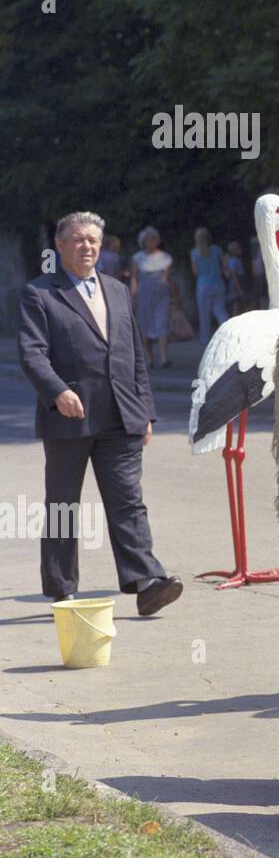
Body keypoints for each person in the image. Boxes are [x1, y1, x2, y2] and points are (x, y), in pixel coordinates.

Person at [18, 212, 183, 614]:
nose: (87, 246)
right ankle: (61, 587)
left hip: (119, 417)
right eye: (77, 240)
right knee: (62, 505)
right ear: (59, 246)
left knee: (128, 501)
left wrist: (144, 410)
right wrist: (57, 391)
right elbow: (31, 353)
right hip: (67, 419)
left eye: (93, 239)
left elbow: (134, 355)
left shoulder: (117, 289)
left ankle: (146, 581)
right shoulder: (40, 294)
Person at [130, 226, 174, 368]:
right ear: (143, 241)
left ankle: (163, 357)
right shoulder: (137, 258)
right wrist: (132, 296)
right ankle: (149, 358)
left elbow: (168, 278)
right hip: (144, 294)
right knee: (145, 325)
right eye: (148, 239)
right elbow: (134, 278)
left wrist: (174, 297)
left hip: (161, 293)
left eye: (154, 238)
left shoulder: (166, 257)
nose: (151, 241)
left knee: (162, 324)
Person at [191, 227, 229, 344]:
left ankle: (205, 338)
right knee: (220, 310)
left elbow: (195, 272)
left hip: (203, 285)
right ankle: (228, 332)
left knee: (204, 313)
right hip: (218, 283)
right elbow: (224, 266)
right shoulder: (217, 249)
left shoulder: (194, 252)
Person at [225, 239, 247, 316]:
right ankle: (234, 318)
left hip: (238, 283)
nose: (240, 249)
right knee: (236, 302)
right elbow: (234, 275)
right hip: (236, 284)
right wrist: (239, 288)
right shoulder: (234, 261)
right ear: (234, 251)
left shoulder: (236, 260)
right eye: (238, 248)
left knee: (238, 302)